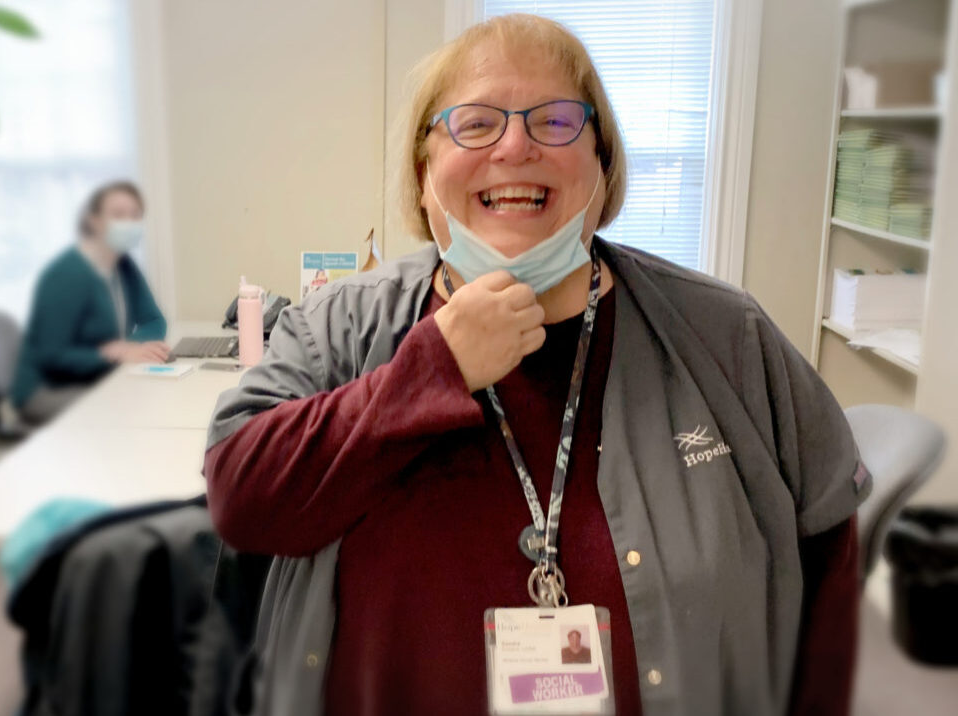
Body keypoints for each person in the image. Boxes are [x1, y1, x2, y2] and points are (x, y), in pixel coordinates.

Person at [205, 14, 869, 716]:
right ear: (424, 172)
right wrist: (433, 370)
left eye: (556, 121)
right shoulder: (339, 324)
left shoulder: (726, 335)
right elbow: (242, 498)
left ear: (602, 165)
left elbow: (827, 547)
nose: (515, 145)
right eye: (475, 123)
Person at [11, 180, 169, 425]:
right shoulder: (67, 274)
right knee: (130, 411)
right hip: (45, 389)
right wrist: (111, 355)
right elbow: (50, 356)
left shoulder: (124, 266)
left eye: (135, 216)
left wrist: (127, 348)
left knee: (148, 401)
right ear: (94, 220)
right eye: (118, 215)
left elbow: (154, 320)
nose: (129, 223)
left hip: (99, 378)